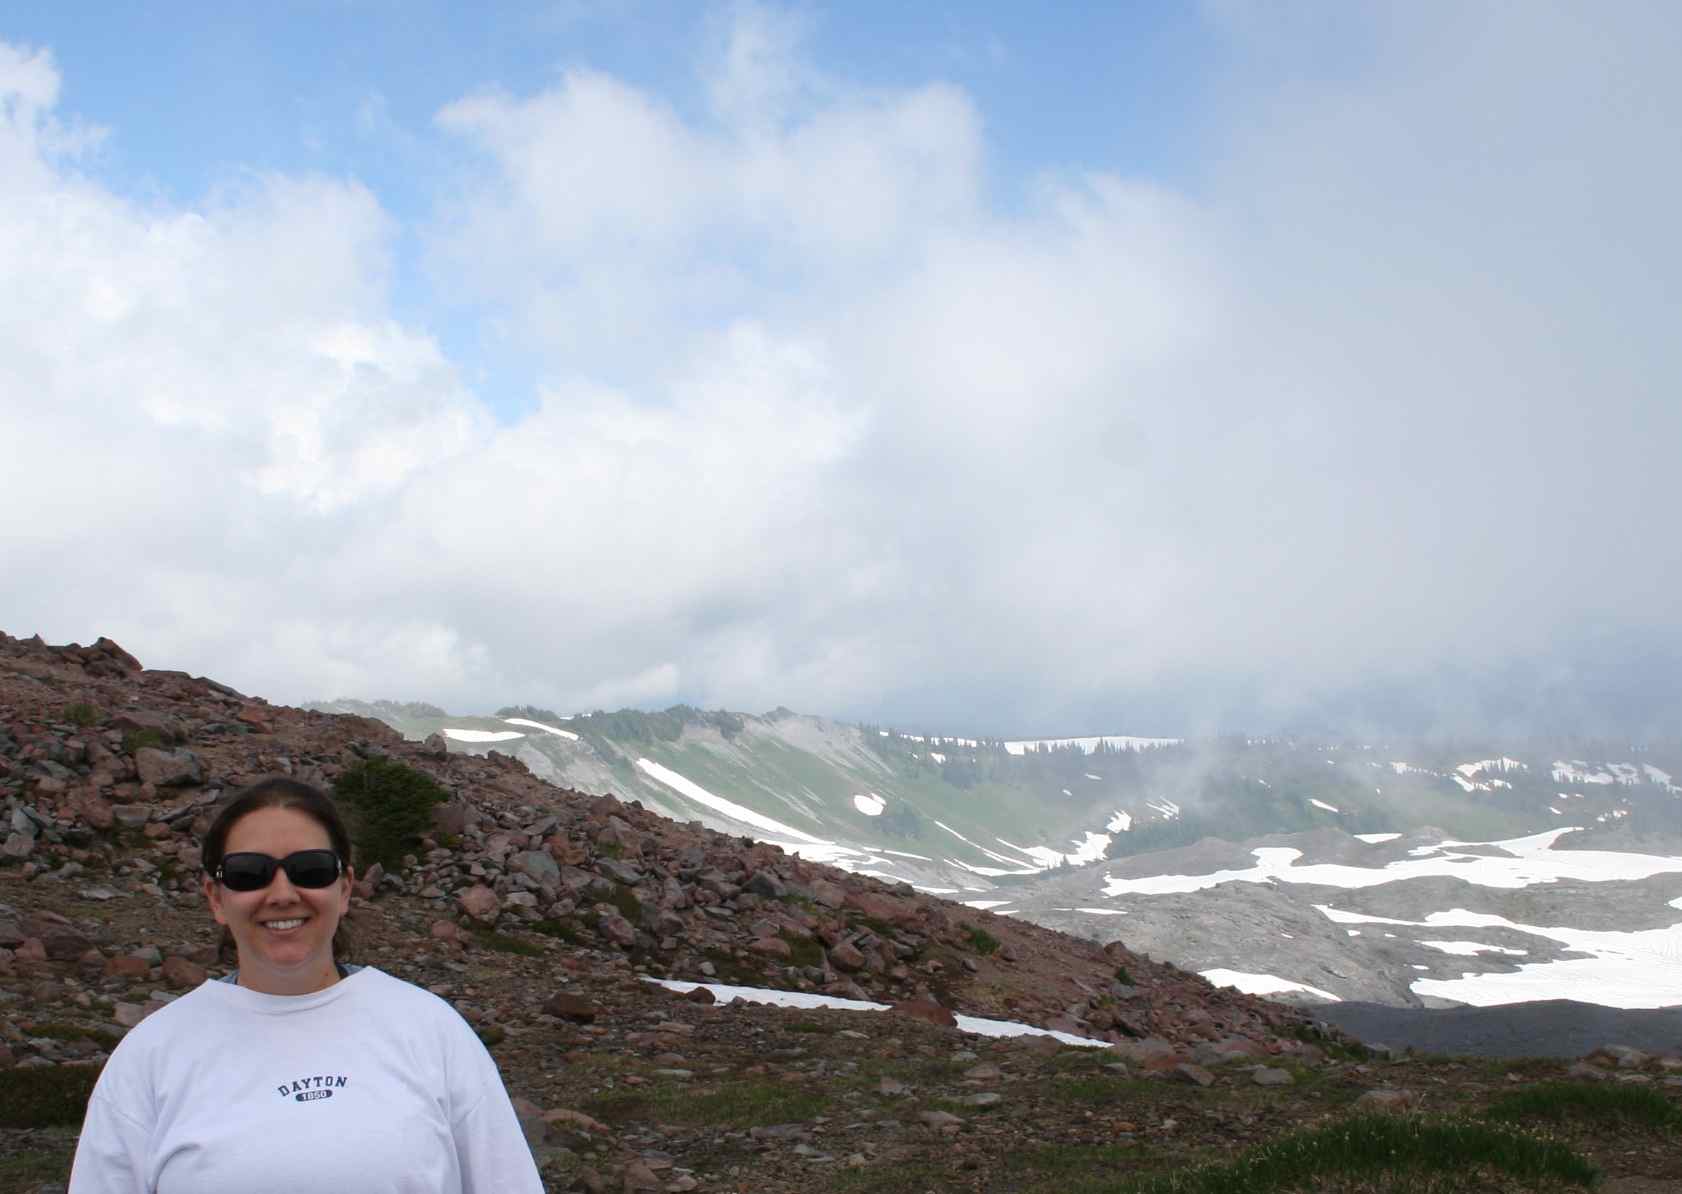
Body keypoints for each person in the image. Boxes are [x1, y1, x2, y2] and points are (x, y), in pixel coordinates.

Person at [68, 777, 543, 1193]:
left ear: (345, 888)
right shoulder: (151, 1055)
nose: (281, 894)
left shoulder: (432, 1030)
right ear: (216, 897)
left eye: (310, 869)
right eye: (248, 873)